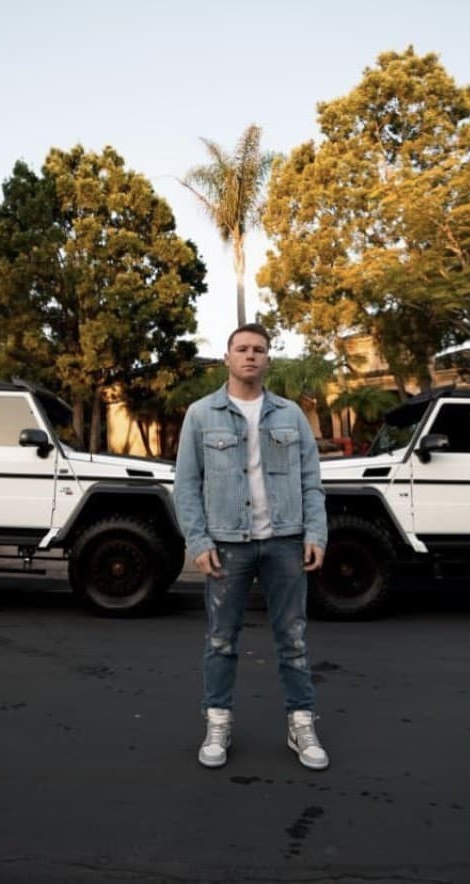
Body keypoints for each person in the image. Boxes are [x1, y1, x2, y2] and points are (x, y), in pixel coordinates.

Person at [172, 323, 329, 770]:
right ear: (227, 357)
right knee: (221, 639)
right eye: (241, 349)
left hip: (285, 542)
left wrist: (315, 534)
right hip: (228, 545)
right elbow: (186, 484)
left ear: (268, 359)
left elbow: (311, 481)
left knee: (293, 639)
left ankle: (301, 723)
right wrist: (198, 540)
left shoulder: (291, 414)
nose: (250, 356)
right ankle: (217, 721)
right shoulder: (201, 415)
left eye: (259, 349)